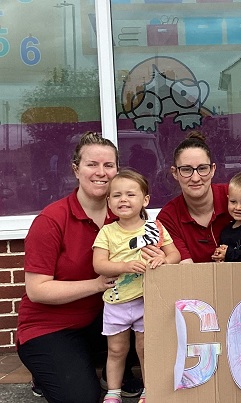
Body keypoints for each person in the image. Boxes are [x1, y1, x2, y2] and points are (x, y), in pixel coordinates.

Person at [16, 132, 140, 403]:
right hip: (51, 326)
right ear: (76, 169)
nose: (101, 172)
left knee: (146, 312)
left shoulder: (123, 215)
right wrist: (97, 284)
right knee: (81, 398)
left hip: (103, 318)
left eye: (109, 165)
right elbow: (37, 290)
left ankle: (113, 373)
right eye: (91, 164)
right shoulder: (52, 220)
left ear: (117, 170)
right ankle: (47, 369)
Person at [93, 170, 181, 403]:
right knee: (116, 350)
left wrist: (163, 259)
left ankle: (148, 389)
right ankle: (113, 392)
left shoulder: (155, 228)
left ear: (145, 200)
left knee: (145, 349)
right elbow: (98, 264)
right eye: (117, 195)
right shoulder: (108, 232)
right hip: (117, 302)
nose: (123, 199)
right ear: (109, 201)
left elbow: (175, 255)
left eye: (131, 194)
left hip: (147, 300)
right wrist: (125, 265)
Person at [156, 131, 241, 264]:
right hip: (198, 282)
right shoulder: (168, 217)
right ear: (175, 173)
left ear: (213, 169)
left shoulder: (235, 196)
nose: (195, 178)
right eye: (186, 170)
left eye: (202, 168)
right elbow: (186, 266)